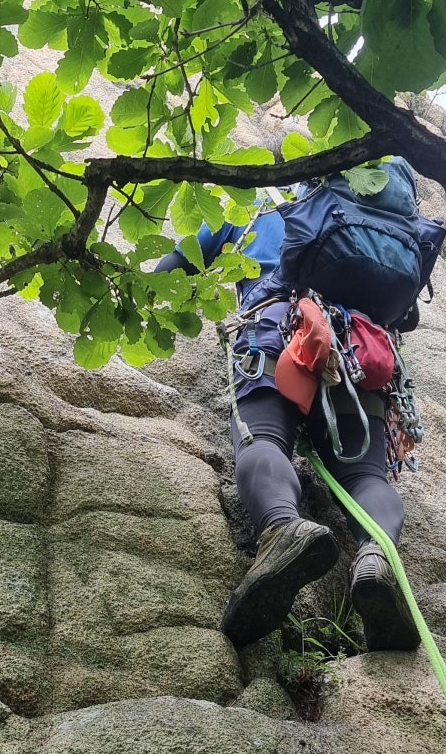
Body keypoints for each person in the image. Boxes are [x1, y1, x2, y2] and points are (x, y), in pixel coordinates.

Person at [154, 159, 430, 652]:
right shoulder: (361, 209)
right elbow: (405, 312)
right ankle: (375, 558)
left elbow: (172, 268)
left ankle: (282, 528)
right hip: (359, 347)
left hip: (276, 327)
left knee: (263, 437)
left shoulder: (249, 203)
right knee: (365, 476)